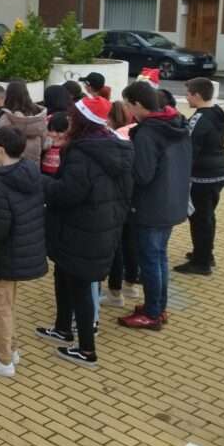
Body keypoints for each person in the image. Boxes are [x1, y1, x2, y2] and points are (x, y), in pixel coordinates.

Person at [37, 97, 133, 366]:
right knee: (64, 275)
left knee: (79, 285)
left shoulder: (82, 152)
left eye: (72, 117)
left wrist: (43, 181)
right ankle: (62, 328)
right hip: (97, 227)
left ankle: (87, 350)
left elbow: (69, 193)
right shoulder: (116, 146)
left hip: (83, 229)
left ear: (82, 121)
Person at [118, 82, 191, 330]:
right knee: (158, 258)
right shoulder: (176, 123)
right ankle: (158, 307)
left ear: (137, 104)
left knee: (150, 259)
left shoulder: (148, 133)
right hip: (172, 202)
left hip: (151, 206)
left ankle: (151, 314)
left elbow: (143, 175)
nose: (127, 109)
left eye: (127, 104)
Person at [0, 127, 46, 377]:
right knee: (6, 303)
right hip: (23, 252)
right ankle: (5, 347)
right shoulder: (30, 173)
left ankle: (4, 359)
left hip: (4, 256)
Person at [175, 78, 224, 276]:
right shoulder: (218, 113)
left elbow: (190, 150)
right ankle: (205, 253)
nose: (186, 97)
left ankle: (201, 263)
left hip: (204, 176)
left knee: (199, 218)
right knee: (207, 216)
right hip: (221, 171)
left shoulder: (199, 119)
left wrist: (181, 174)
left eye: (188, 94)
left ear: (197, 95)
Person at [104, 103, 140, 306]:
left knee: (116, 247)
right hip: (135, 199)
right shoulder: (137, 134)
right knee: (131, 243)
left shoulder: (113, 138)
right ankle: (131, 285)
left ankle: (115, 293)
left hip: (117, 200)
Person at [0, 80, 47, 163]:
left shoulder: (5, 117)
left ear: (8, 95)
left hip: (10, 164)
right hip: (33, 164)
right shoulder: (38, 114)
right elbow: (44, 141)